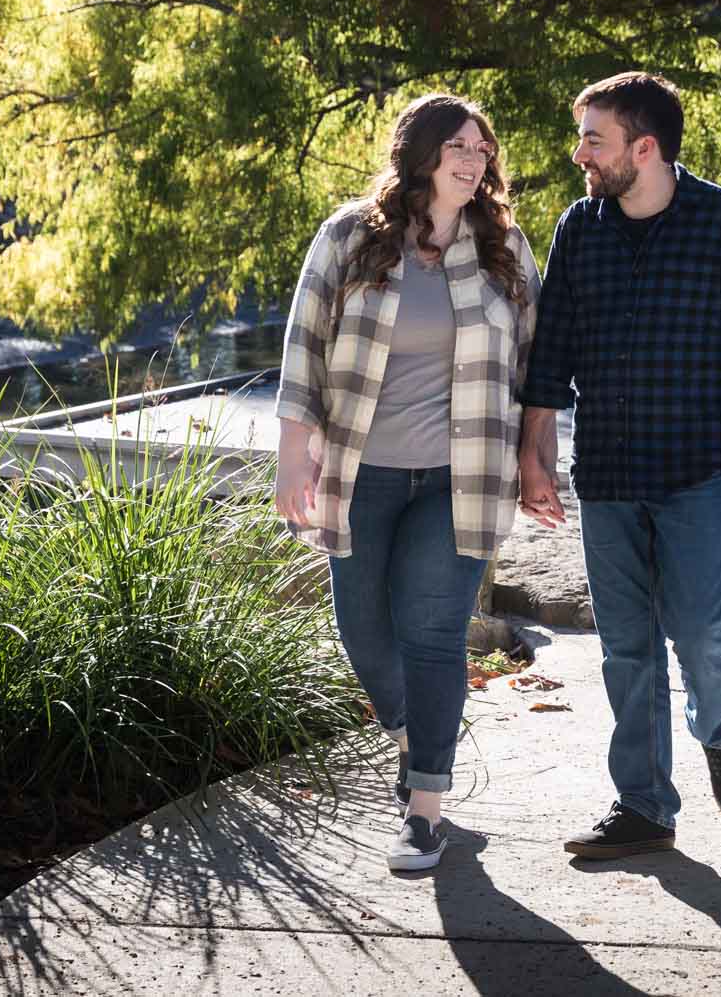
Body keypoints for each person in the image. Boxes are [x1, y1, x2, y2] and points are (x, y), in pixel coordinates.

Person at [516, 71, 721, 858]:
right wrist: (537, 455)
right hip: (606, 471)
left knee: (700, 629)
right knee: (625, 645)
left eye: (593, 138)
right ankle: (644, 804)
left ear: (645, 147)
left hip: (698, 470)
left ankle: (718, 730)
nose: (580, 153)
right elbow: (551, 355)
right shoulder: (580, 227)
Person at [274, 92, 540, 873]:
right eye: (458, 145)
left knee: (431, 633)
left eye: (482, 149)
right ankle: (416, 739)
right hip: (362, 469)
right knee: (361, 631)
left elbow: (537, 360)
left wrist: (535, 457)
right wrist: (294, 453)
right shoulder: (351, 236)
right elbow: (305, 343)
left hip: (462, 477)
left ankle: (425, 810)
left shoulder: (504, 245)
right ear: (421, 153)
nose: (473, 158)